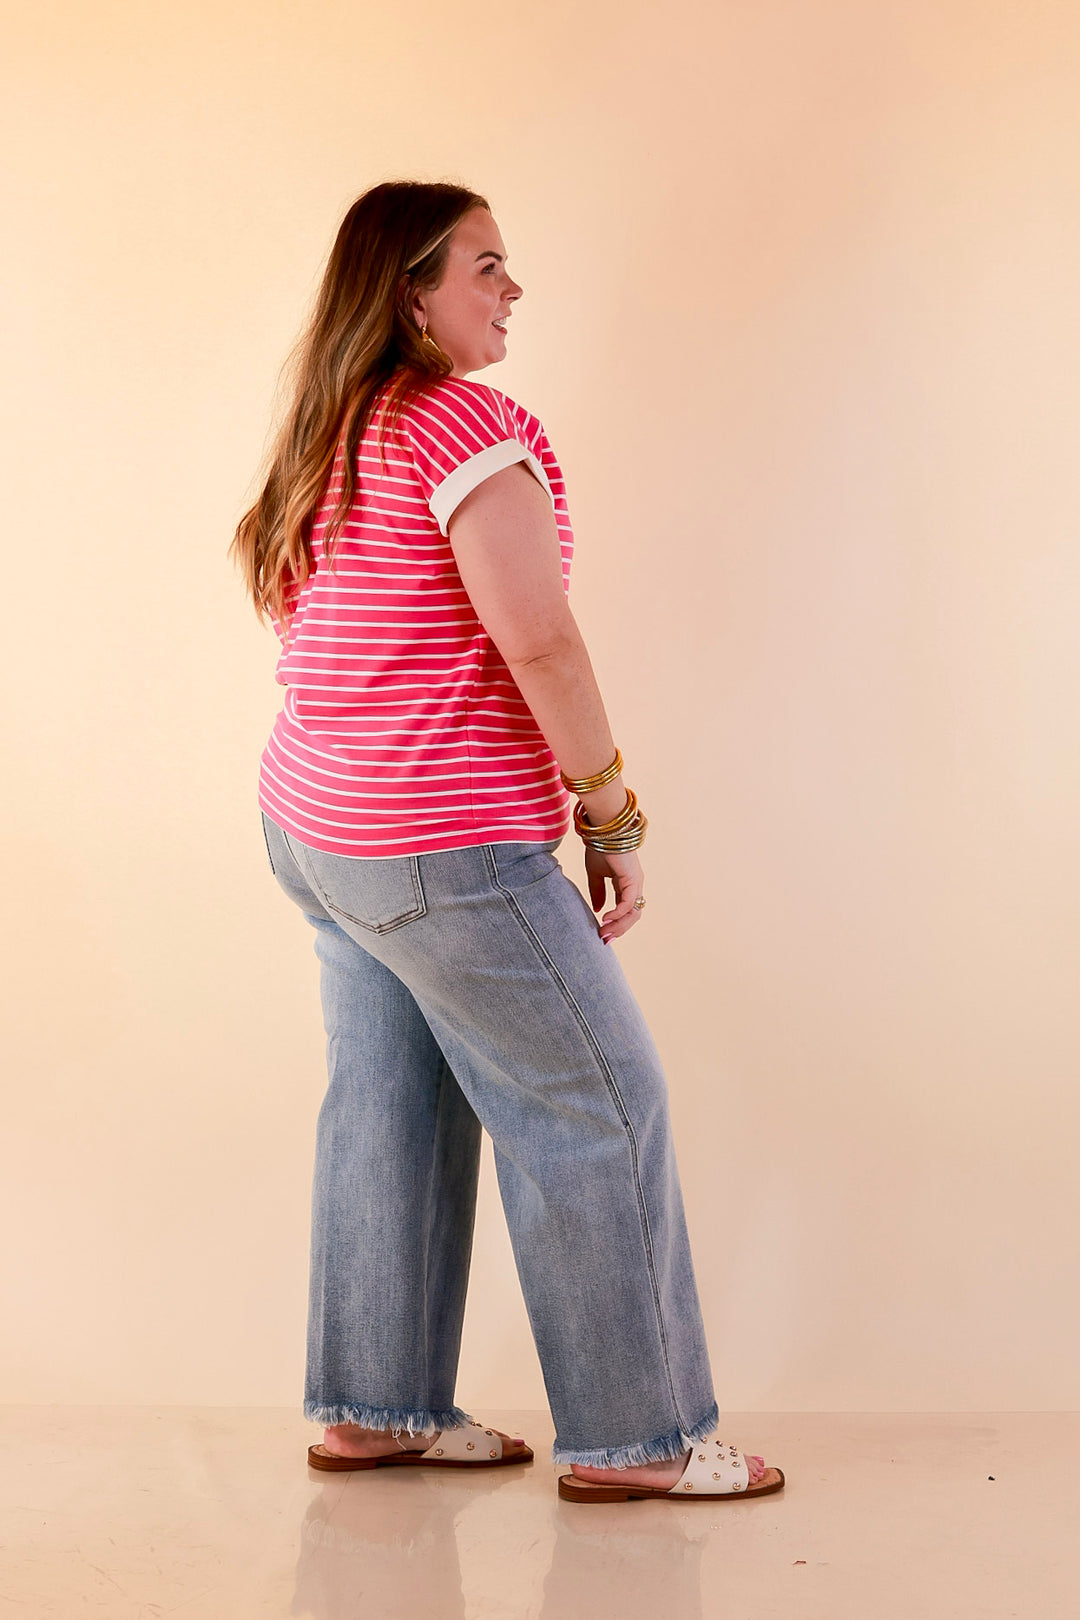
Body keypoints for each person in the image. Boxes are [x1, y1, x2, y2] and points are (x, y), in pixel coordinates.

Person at [229, 180, 784, 1504]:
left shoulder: (332, 429)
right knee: (595, 1103)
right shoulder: (466, 426)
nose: (512, 287)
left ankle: (375, 1415)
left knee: (391, 1103)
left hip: (322, 833)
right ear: (411, 293)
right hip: (443, 849)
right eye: (485, 266)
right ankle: (640, 1441)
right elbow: (541, 642)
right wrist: (610, 812)